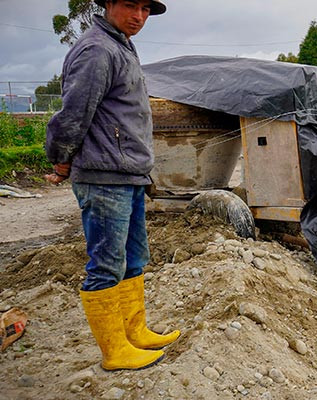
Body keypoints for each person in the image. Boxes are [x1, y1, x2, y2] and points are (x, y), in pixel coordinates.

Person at [44, 0, 179, 371]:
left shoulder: (121, 44)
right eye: (129, 5)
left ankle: (134, 333)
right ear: (107, 4)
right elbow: (73, 111)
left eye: (145, 10)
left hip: (128, 172)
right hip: (104, 174)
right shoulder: (97, 49)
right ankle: (114, 351)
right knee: (106, 263)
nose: (138, 16)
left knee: (133, 260)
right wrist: (61, 157)